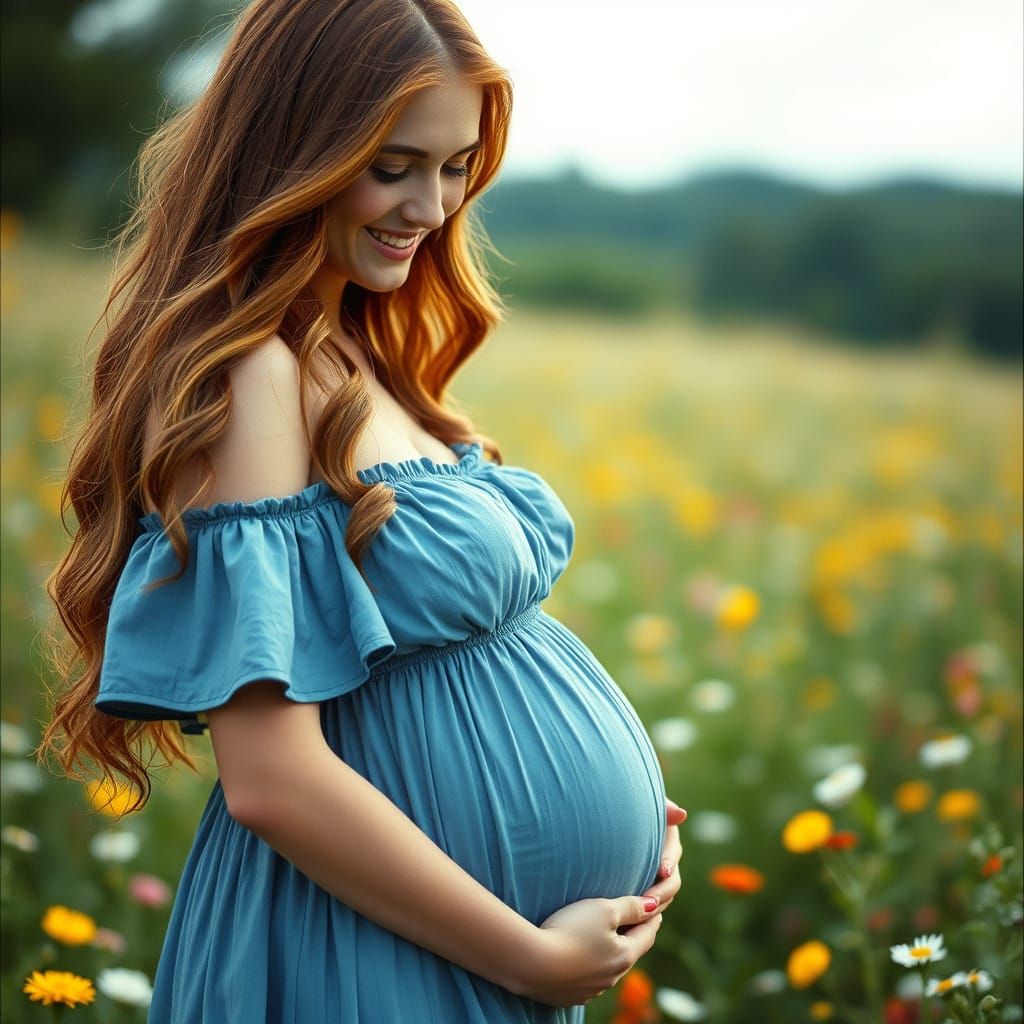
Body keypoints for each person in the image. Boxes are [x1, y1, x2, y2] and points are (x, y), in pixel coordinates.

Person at [40, 1, 686, 1020]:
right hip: (353, 949)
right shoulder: (252, 373)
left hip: (443, 940)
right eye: (393, 164)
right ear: (292, 149)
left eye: (456, 165)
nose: (430, 206)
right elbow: (269, 778)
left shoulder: (353, 348)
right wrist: (524, 953)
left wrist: (640, 827)